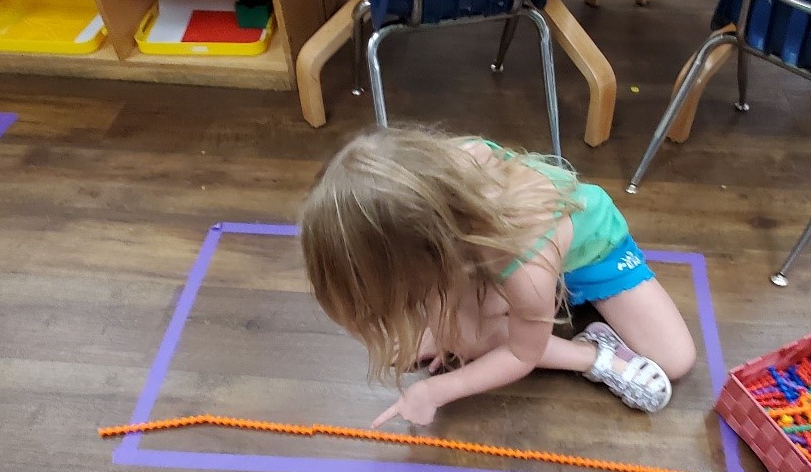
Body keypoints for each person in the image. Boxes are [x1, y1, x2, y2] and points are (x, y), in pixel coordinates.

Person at [299, 128, 697, 427]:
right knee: (456, 334)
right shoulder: (435, 182)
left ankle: (595, 356)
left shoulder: (524, 263)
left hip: (594, 254)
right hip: (486, 256)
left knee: (675, 359)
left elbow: (522, 353)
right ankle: (497, 317)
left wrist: (436, 390)